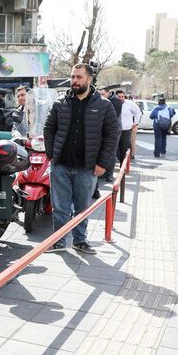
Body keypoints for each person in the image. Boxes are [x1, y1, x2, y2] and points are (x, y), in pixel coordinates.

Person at [43, 64, 119, 254]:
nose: (74, 81)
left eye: (79, 77)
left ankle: (80, 240)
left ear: (89, 79)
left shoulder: (103, 105)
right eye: (72, 77)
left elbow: (112, 134)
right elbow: (48, 128)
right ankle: (59, 241)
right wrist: (51, 154)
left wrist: (103, 163)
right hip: (60, 165)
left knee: (82, 207)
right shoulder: (61, 102)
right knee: (60, 207)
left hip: (87, 167)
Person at [99, 88, 122, 182]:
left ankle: (110, 174)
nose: (101, 96)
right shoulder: (101, 100)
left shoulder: (116, 101)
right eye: (100, 94)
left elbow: (113, 115)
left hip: (114, 129)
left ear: (109, 93)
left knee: (112, 151)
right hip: (103, 128)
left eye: (103, 94)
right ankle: (103, 172)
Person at [116, 89, 141, 166]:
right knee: (116, 148)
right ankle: (120, 159)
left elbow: (138, 112)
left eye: (122, 96)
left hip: (126, 130)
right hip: (115, 130)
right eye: (119, 97)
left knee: (124, 147)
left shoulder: (130, 104)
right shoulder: (113, 103)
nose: (121, 98)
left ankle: (123, 165)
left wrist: (136, 123)